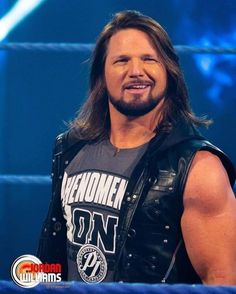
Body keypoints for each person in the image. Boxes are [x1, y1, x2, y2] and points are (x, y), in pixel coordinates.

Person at [37, 10, 236, 285]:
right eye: (121, 60)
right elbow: (53, 254)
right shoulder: (69, 149)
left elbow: (222, 279)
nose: (136, 71)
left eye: (149, 59)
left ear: (169, 71)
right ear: (102, 74)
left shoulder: (199, 169)